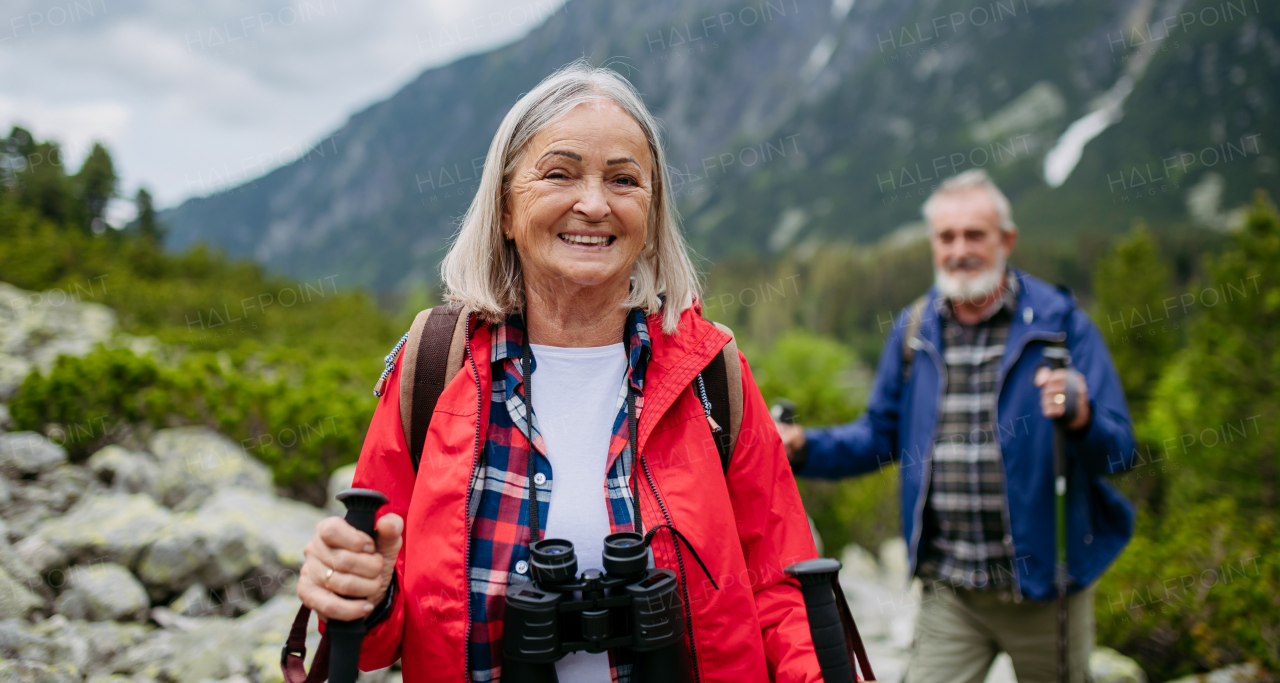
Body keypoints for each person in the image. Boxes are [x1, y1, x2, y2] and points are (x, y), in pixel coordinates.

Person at [296, 60, 824, 682]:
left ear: (651, 220)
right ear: (505, 210)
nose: (594, 204)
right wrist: (360, 592)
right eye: (559, 174)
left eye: (624, 181)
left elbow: (782, 590)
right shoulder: (436, 366)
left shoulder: (711, 372)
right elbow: (377, 634)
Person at [776, 169, 1136, 683]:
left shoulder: (1060, 323)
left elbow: (1120, 450)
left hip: (1044, 590)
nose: (960, 248)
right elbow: (879, 437)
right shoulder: (914, 330)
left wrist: (1082, 414)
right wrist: (804, 446)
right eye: (947, 236)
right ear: (933, 244)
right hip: (952, 594)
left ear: (1006, 240)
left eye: (975, 234)